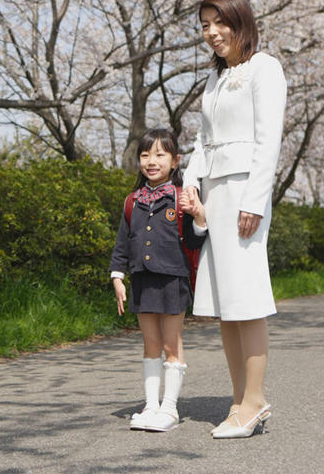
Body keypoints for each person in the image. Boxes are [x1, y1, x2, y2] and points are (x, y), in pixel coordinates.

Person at [178, 0, 287, 439]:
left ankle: (255, 401)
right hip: (215, 193)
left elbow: (269, 140)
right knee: (225, 304)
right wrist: (189, 179)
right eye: (204, 26)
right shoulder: (215, 79)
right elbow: (204, 140)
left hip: (244, 192)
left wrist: (254, 201)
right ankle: (239, 400)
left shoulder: (265, 68)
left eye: (217, 23)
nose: (211, 33)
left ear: (239, 21)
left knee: (247, 301)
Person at [109, 128, 206, 432]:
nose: (152, 161)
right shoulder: (133, 200)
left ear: (176, 161)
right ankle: (151, 406)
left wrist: (200, 217)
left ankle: (170, 408)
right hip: (141, 280)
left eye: (160, 154)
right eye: (145, 154)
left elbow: (193, 240)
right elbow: (123, 241)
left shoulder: (182, 197)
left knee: (170, 344)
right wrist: (118, 276)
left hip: (172, 280)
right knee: (150, 344)